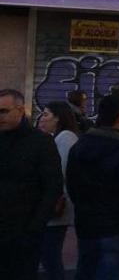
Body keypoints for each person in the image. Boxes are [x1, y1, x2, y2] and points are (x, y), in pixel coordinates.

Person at [67, 93, 119, 280]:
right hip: (117, 228)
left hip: (87, 224)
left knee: (86, 270)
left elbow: (72, 184)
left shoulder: (80, 146)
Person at [0, 89, 62, 280]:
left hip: (22, 233)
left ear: (20, 110)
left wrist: (34, 228)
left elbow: (52, 187)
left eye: (4, 111)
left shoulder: (41, 142)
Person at [37, 102, 80, 280]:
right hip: (55, 205)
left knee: (50, 255)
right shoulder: (58, 137)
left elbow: (59, 171)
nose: (42, 118)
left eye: (46, 114)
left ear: (58, 118)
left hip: (58, 206)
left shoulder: (65, 138)